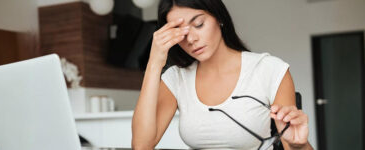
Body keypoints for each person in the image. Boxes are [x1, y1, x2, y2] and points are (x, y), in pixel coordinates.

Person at [132, 0, 313, 149]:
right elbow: (141, 146)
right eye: (180, 33)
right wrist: (154, 63)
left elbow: (292, 143)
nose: (191, 39)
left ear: (219, 17)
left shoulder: (269, 69)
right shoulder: (176, 79)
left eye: (198, 24)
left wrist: (300, 145)